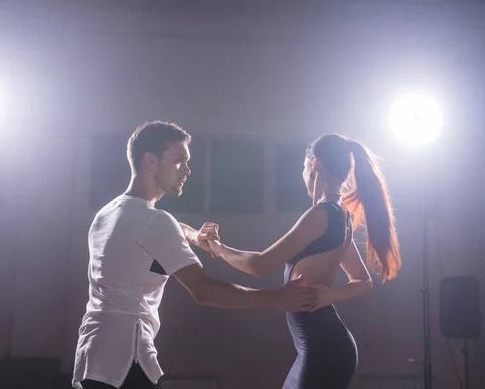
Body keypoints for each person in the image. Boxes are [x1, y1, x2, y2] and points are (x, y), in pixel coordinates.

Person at [72, 121, 318, 389]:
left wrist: (194, 237)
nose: (187, 170)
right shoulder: (154, 222)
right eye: (179, 161)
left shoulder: (108, 213)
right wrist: (276, 297)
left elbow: (167, 226)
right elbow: (205, 291)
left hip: (92, 357)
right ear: (151, 161)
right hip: (125, 360)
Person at [209, 134, 402, 389]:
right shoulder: (339, 215)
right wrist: (328, 296)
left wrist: (217, 247)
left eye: (303, 167)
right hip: (324, 347)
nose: (302, 174)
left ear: (315, 163)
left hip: (324, 349)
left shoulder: (322, 214)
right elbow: (363, 282)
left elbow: (259, 265)